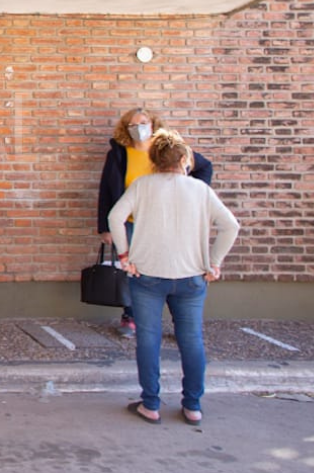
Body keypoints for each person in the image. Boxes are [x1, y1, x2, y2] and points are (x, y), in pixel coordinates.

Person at [109, 129, 239, 426]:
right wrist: (214, 262)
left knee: (148, 338)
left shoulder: (142, 186)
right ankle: (192, 405)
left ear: (154, 159)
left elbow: (115, 217)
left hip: (148, 274)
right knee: (191, 339)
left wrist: (125, 255)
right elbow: (230, 226)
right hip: (192, 275)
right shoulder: (199, 190)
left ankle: (151, 404)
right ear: (183, 158)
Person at [97, 107, 213, 337]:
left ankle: (179, 321)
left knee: (170, 268)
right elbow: (106, 190)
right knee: (132, 269)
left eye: (143, 123)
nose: (138, 129)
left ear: (153, 125)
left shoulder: (167, 150)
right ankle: (131, 316)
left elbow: (204, 166)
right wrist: (105, 226)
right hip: (130, 221)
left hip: (165, 221)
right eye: (132, 125)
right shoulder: (120, 154)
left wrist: (195, 192)